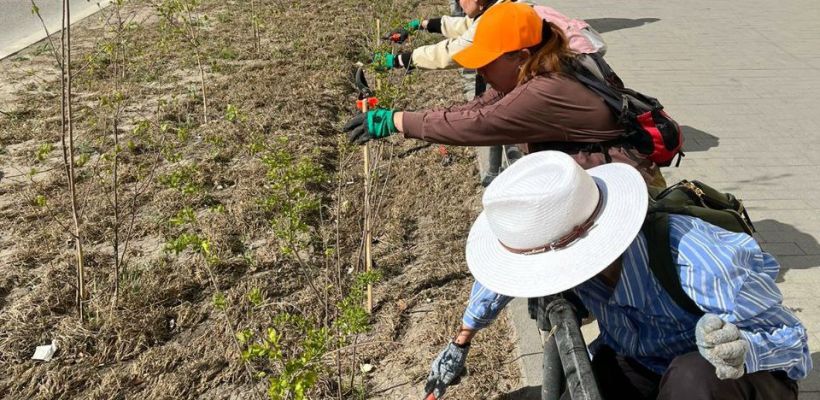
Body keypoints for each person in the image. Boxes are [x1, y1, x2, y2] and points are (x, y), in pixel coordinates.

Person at [424, 150, 811, 399]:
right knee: (588, 385)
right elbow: (499, 281)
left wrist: (743, 349)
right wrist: (462, 339)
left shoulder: (695, 260)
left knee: (693, 377)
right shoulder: (563, 239)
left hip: (734, 381)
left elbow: (794, 343)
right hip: (644, 358)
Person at [345, 2, 664, 186]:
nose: (480, 71)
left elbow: (481, 123)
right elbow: (483, 105)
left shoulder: (547, 90)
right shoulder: (547, 61)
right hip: (598, 178)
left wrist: (398, 120)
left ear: (521, 56)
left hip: (619, 190)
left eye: (487, 63)